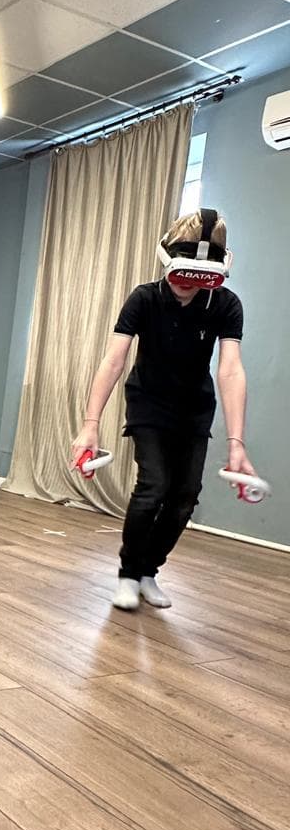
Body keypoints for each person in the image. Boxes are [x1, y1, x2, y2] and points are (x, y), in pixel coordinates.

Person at [71, 208, 256, 611]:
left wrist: (236, 443)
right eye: (183, 273)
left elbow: (230, 370)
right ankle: (127, 574)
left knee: (185, 497)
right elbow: (114, 361)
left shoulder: (226, 305)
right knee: (153, 486)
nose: (187, 284)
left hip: (194, 408)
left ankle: (147, 572)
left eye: (199, 277)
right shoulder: (144, 298)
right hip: (148, 401)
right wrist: (90, 425)